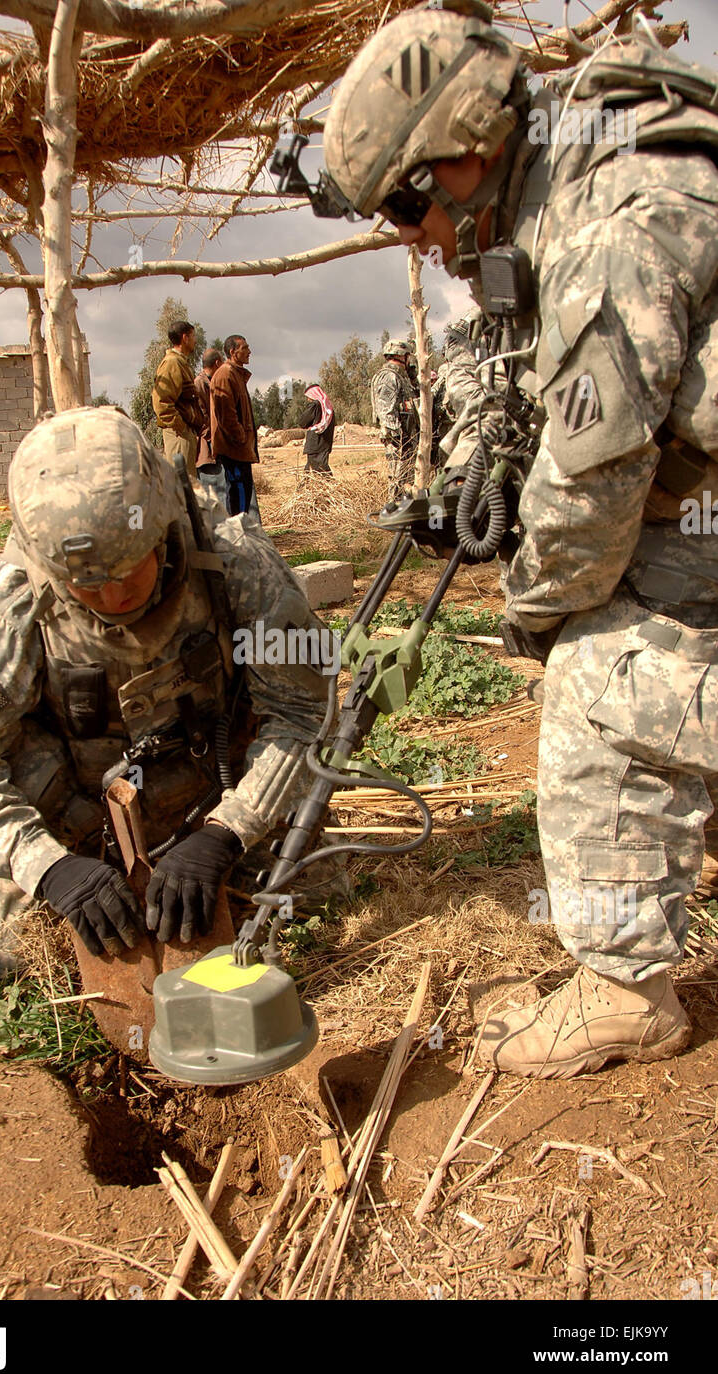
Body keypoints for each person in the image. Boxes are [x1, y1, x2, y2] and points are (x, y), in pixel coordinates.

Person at [317, 0, 718, 1077]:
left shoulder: (599, 231)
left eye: (406, 210)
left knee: (589, 667)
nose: (413, 240)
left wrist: (531, 608)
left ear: (461, 159)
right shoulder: (579, 174)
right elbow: (530, 379)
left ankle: (621, 989)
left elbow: (588, 501)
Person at [0, 405, 333, 975]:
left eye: (128, 570)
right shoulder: (8, 604)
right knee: (7, 946)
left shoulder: (236, 563)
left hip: (215, 802)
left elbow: (305, 711)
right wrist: (49, 869)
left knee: (315, 891)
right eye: (85, 584)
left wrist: (227, 831)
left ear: (160, 523)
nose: (113, 600)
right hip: (73, 826)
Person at [210, 334, 261, 522]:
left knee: (243, 493)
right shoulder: (225, 374)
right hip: (234, 450)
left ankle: (241, 535)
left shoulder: (235, 374)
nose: (249, 352)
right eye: (245, 348)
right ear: (232, 352)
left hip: (239, 449)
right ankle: (238, 537)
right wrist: (240, 437)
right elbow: (227, 415)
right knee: (239, 494)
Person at [370, 339, 420, 503]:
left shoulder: (399, 376)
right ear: (402, 356)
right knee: (398, 479)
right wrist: (398, 435)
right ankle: (395, 514)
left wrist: (414, 379)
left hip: (405, 436)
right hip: (398, 438)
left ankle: (403, 513)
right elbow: (386, 409)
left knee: (405, 478)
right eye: (408, 357)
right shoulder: (389, 377)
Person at [152, 320, 203, 478]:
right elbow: (161, 403)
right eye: (193, 336)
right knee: (182, 485)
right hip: (178, 435)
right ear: (185, 338)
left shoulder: (180, 363)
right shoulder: (172, 363)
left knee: (187, 484)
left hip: (183, 433)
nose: (195, 340)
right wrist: (180, 427)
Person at [194, 347, 228, 513]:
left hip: (218, 444)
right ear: (217, 363)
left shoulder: (214, 381)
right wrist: (211, 436)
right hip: (207, 447)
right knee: (212, 493)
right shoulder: (200, 384)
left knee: (221, 492)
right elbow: (201, 416)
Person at [298, 384, 336, 477]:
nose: (308, 400)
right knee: (321, 467)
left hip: (315, 444)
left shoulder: (314, 405)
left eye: (309, 397)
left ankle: (329, 487)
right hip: (325, 444)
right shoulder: (328, 408)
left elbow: (302, 422)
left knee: (316, 470)